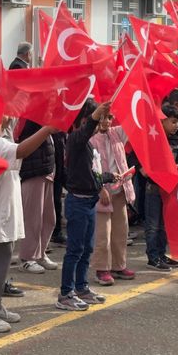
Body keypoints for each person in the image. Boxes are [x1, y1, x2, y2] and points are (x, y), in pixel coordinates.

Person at [0, 118, 55, 333]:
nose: (9, 117)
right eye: (3, 114)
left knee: (0, 263)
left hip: (1, 213)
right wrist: (47, 129)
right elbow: (22, 150)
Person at [57, 100, 116, 311]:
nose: (101, 123)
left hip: (90, 202)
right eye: (98, 119)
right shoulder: (75, 139)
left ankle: (81, 288)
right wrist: (95, 116)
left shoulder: (88, 145)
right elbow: (85, 132)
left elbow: (92, 174)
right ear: (83, 121)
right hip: (77, 203)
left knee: (86, 249)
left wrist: (109, 177)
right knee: (74, 250)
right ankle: (66, 293)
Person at [90, 114, 135, 286]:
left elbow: (133, 119)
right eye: (102, 118)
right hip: (102, 193)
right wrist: (100, 188)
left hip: (120, 190)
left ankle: (118, 265)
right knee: (103, 233)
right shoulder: (91, 139)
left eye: (109, 117)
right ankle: (102, 269)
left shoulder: (117, 133)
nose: (106, 121)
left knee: (121, 231)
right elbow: (91, 169)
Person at [144, 104, 178, 271]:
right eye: (173, 122)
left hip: (169, 190)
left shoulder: (177, 142)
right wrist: (142, 168)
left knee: (163, 225)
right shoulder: (151, 139)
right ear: (161, 121)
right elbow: (137, 156)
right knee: (153, 225)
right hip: (153, 189)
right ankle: (152, 257)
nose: (176, 125)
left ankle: (161, 254)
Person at [17, 120, 58, 274]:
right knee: (32, 219)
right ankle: (27, 258)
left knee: (49, 219)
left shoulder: (44, 120)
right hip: (33, 172)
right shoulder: (30, 119)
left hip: (47, 171)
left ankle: (40, 253)